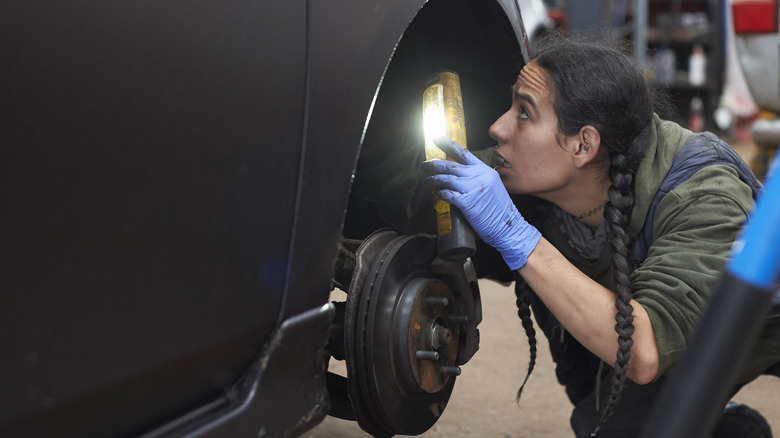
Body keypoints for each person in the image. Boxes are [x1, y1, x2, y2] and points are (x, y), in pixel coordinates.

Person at [422, 35, 780, 437]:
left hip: (748, 327)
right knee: (602, 422)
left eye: (523, 113)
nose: (497, 127)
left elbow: (642, 351)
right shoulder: (534, 169)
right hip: (650, 316)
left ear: (584, 144)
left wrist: (516, 236)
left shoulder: (703, 197)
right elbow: (408, 184)